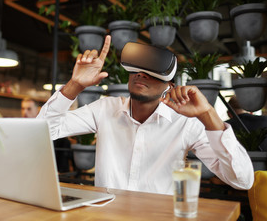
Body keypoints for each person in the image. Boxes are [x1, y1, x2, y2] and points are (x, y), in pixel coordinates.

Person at [36, 35, 254, 195]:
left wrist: (207, 114)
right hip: (107, 216)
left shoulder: (184, 123)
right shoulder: (105, 109)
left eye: (151, 72)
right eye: (136, 69)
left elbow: (242, 180)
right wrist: (75, 85)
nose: (141, 74)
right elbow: (42, 131)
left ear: (169, 85)